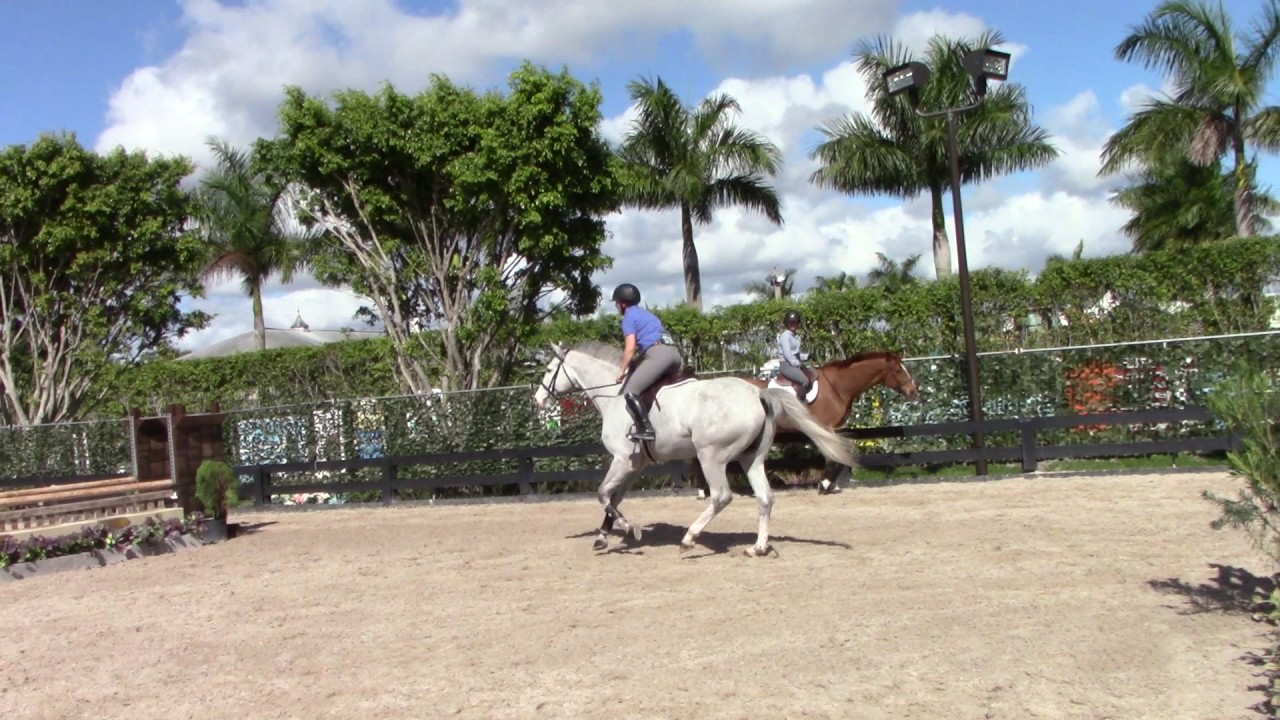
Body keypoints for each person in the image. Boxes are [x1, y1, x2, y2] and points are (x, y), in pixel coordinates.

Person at [612, 283, 681, 441]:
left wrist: (621, 371)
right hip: (675, 355)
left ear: (623, 303)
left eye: (617, 303)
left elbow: (630, 348)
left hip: (658, 356)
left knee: (630, 392)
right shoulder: (647, 315)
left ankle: (646, 429)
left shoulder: (629, 317)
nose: (616, 306)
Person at [776, 309, 812, 401]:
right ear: (787, 323)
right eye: (790, 322)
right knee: (805, 380)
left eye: (795, 322)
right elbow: (788, 356)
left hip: (794, 364)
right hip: (786, 365)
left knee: (813, 372)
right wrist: (798, 364)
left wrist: (808, 356)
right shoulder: (785, 336)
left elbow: (796, 354)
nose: (793, 324)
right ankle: (800, 404)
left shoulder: (796, 336)